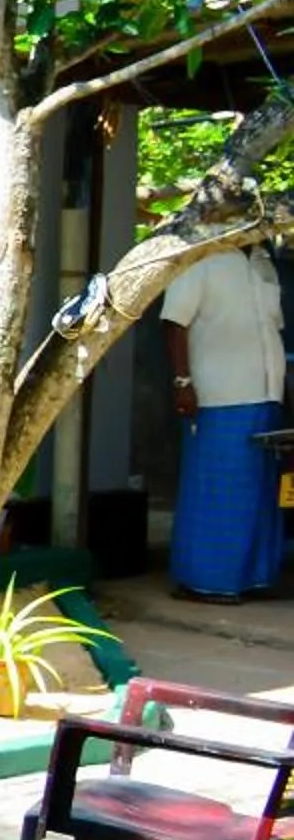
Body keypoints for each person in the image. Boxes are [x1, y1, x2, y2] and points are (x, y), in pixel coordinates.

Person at [163, 243, 290, 603]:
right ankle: (205, 582)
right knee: (217, 490)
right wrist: (182, 382)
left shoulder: (265, 261)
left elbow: (272, 329)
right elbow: (174, 323)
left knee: (259, 492)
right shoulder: (201, 258)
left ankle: (253, 579)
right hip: (219, 396)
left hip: (266, 394)